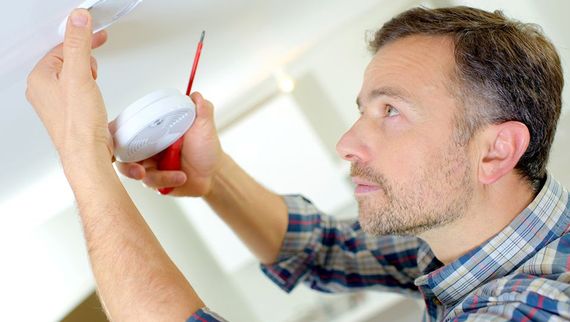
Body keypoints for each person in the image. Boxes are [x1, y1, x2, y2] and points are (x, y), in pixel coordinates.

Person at [25, 5, 569, 322]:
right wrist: (214, 181)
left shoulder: (537, 307)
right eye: (364, 110)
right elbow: (325, 251)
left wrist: (84, 158)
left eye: (391, 111)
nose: (347, 142)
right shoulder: (473, 232)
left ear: (495, 150)